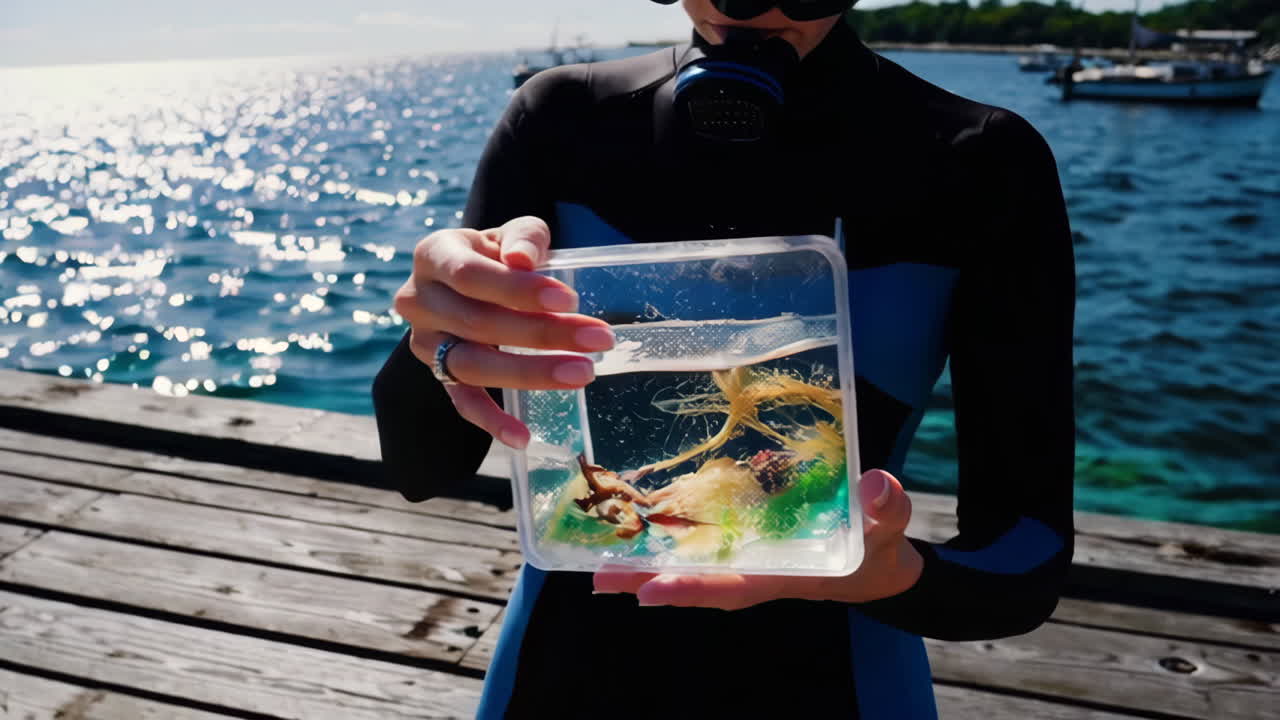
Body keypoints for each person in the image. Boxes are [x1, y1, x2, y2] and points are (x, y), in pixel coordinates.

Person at [372, 1, 1076, 717]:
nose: (760, 3)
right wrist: (435, 340)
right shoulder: (562, 121)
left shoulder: (979, 161)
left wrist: (893, 575)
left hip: (839, 678)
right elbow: (422, 470)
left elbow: (1026, 558)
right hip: (562, 671)